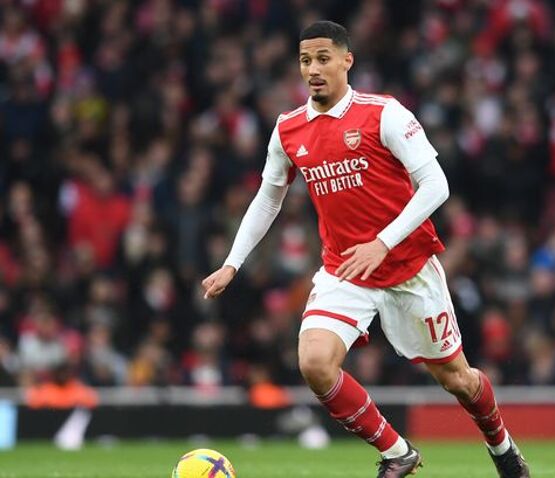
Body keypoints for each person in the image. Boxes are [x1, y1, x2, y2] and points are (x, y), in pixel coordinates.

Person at [202, 20, 530, 478]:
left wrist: (382, 243)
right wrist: (232, 264)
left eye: (323, 59)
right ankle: (398, 453)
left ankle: (502, 448)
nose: (313, 69)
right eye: (305, 60)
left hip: (407, 268)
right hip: (345, 270)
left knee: (457, 379)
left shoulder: (384, 114)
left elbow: (436, 185)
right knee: (315, 364)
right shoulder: (288, 129)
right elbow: (268, 199)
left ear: (346, 60)